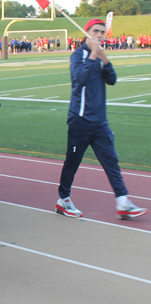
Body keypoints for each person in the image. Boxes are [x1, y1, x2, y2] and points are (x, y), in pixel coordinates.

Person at [55, 19, 148, 220]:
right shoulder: (77, 55)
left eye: (103, 32)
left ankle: (122, 201)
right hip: (80, 121)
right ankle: (63, 199)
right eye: (96, 31)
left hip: (100, 123)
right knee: (72, 163)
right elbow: (81, 79)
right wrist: (95, 54)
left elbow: (112, 79)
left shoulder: (99, 57)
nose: (100, 35)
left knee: (111, 162)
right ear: (87, 33)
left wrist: (104, 59)